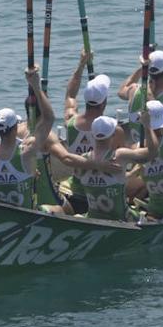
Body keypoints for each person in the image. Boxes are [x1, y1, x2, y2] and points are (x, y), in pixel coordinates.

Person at [47, 114, 153, 222]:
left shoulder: (83, 161)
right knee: (150, 217)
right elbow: (151, 153)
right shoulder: (120, 156)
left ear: (92, 135)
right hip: (122, 218)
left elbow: (66, 158)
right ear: (113, 134)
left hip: (94, 217)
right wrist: (147, 126)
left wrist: (129, 175)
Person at [0, 67, 56, 209]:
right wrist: (35, 85)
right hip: (29, 214)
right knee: (59, 209)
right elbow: (49, 118)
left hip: (4, 214)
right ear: (15, 127)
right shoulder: (26, 151)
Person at [61, 51, 124, 212]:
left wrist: (81, 64)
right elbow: (123, 163)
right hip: (102, 193)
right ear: (104, 102)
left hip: (77, 189)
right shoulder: (114, 130)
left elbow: (70, 94)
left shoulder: (70, 121)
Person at [117, 50, 163, 142]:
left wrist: (143, 68)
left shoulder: (133, 90)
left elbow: (121, 91)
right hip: (158, 153)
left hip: (136, 147)